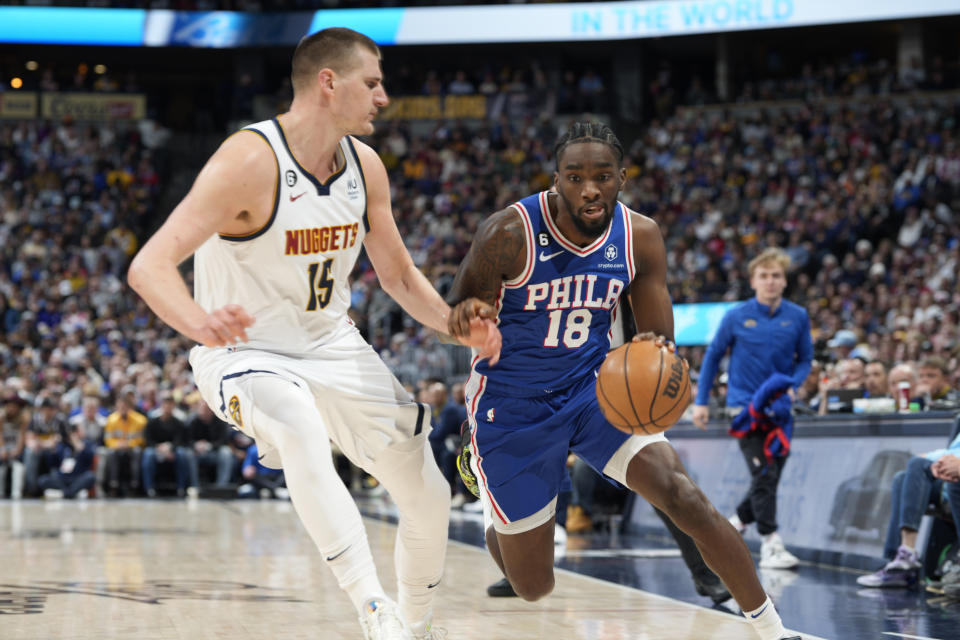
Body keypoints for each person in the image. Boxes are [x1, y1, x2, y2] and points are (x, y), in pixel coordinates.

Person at [127, 27, 499, 640]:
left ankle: (419, 625)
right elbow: (149, 266)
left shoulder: (365, 167)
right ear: (329, 83)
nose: (383, 97)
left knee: (428, 491)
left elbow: (400, 277)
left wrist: (458, 329)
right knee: (296, 424)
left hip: (332, 344)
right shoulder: (249, 160)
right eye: (373, 83)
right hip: (246, 353)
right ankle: (373, 610)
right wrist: (200, 322)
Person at [447, 122, 797, 640]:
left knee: (683, 495)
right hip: (512, 402)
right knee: (532, 585)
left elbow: (657, 338)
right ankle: (490, 492)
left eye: (603, 177)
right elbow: (457, 312)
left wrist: (657, 376)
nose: (590, 189)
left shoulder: (640, 235)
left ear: (622, 179)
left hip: (594, 391)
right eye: (576, 177)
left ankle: (771, 629)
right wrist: (471, 317)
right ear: (556, 181)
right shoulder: (509, 231)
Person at [692, 247, 813, 570]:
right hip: (744, 409)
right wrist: (701, 402)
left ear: (785, 281)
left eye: (776, 276)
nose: (770, 281)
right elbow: (713, 358)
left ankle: (731, 528)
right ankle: (771, 542)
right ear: (753, 281)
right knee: (764, 473)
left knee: (769, 477)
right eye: (764, 276)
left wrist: (792, 383)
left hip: (781, 411)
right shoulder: (736, 315)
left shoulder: (798, 316)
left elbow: (806, 360)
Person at [857, 416, 960, 588]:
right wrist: (935, 459)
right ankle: (896, 561)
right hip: (950, 474)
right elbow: (954, 452)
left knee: (919, 465)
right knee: (903, 477)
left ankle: (907, 557)